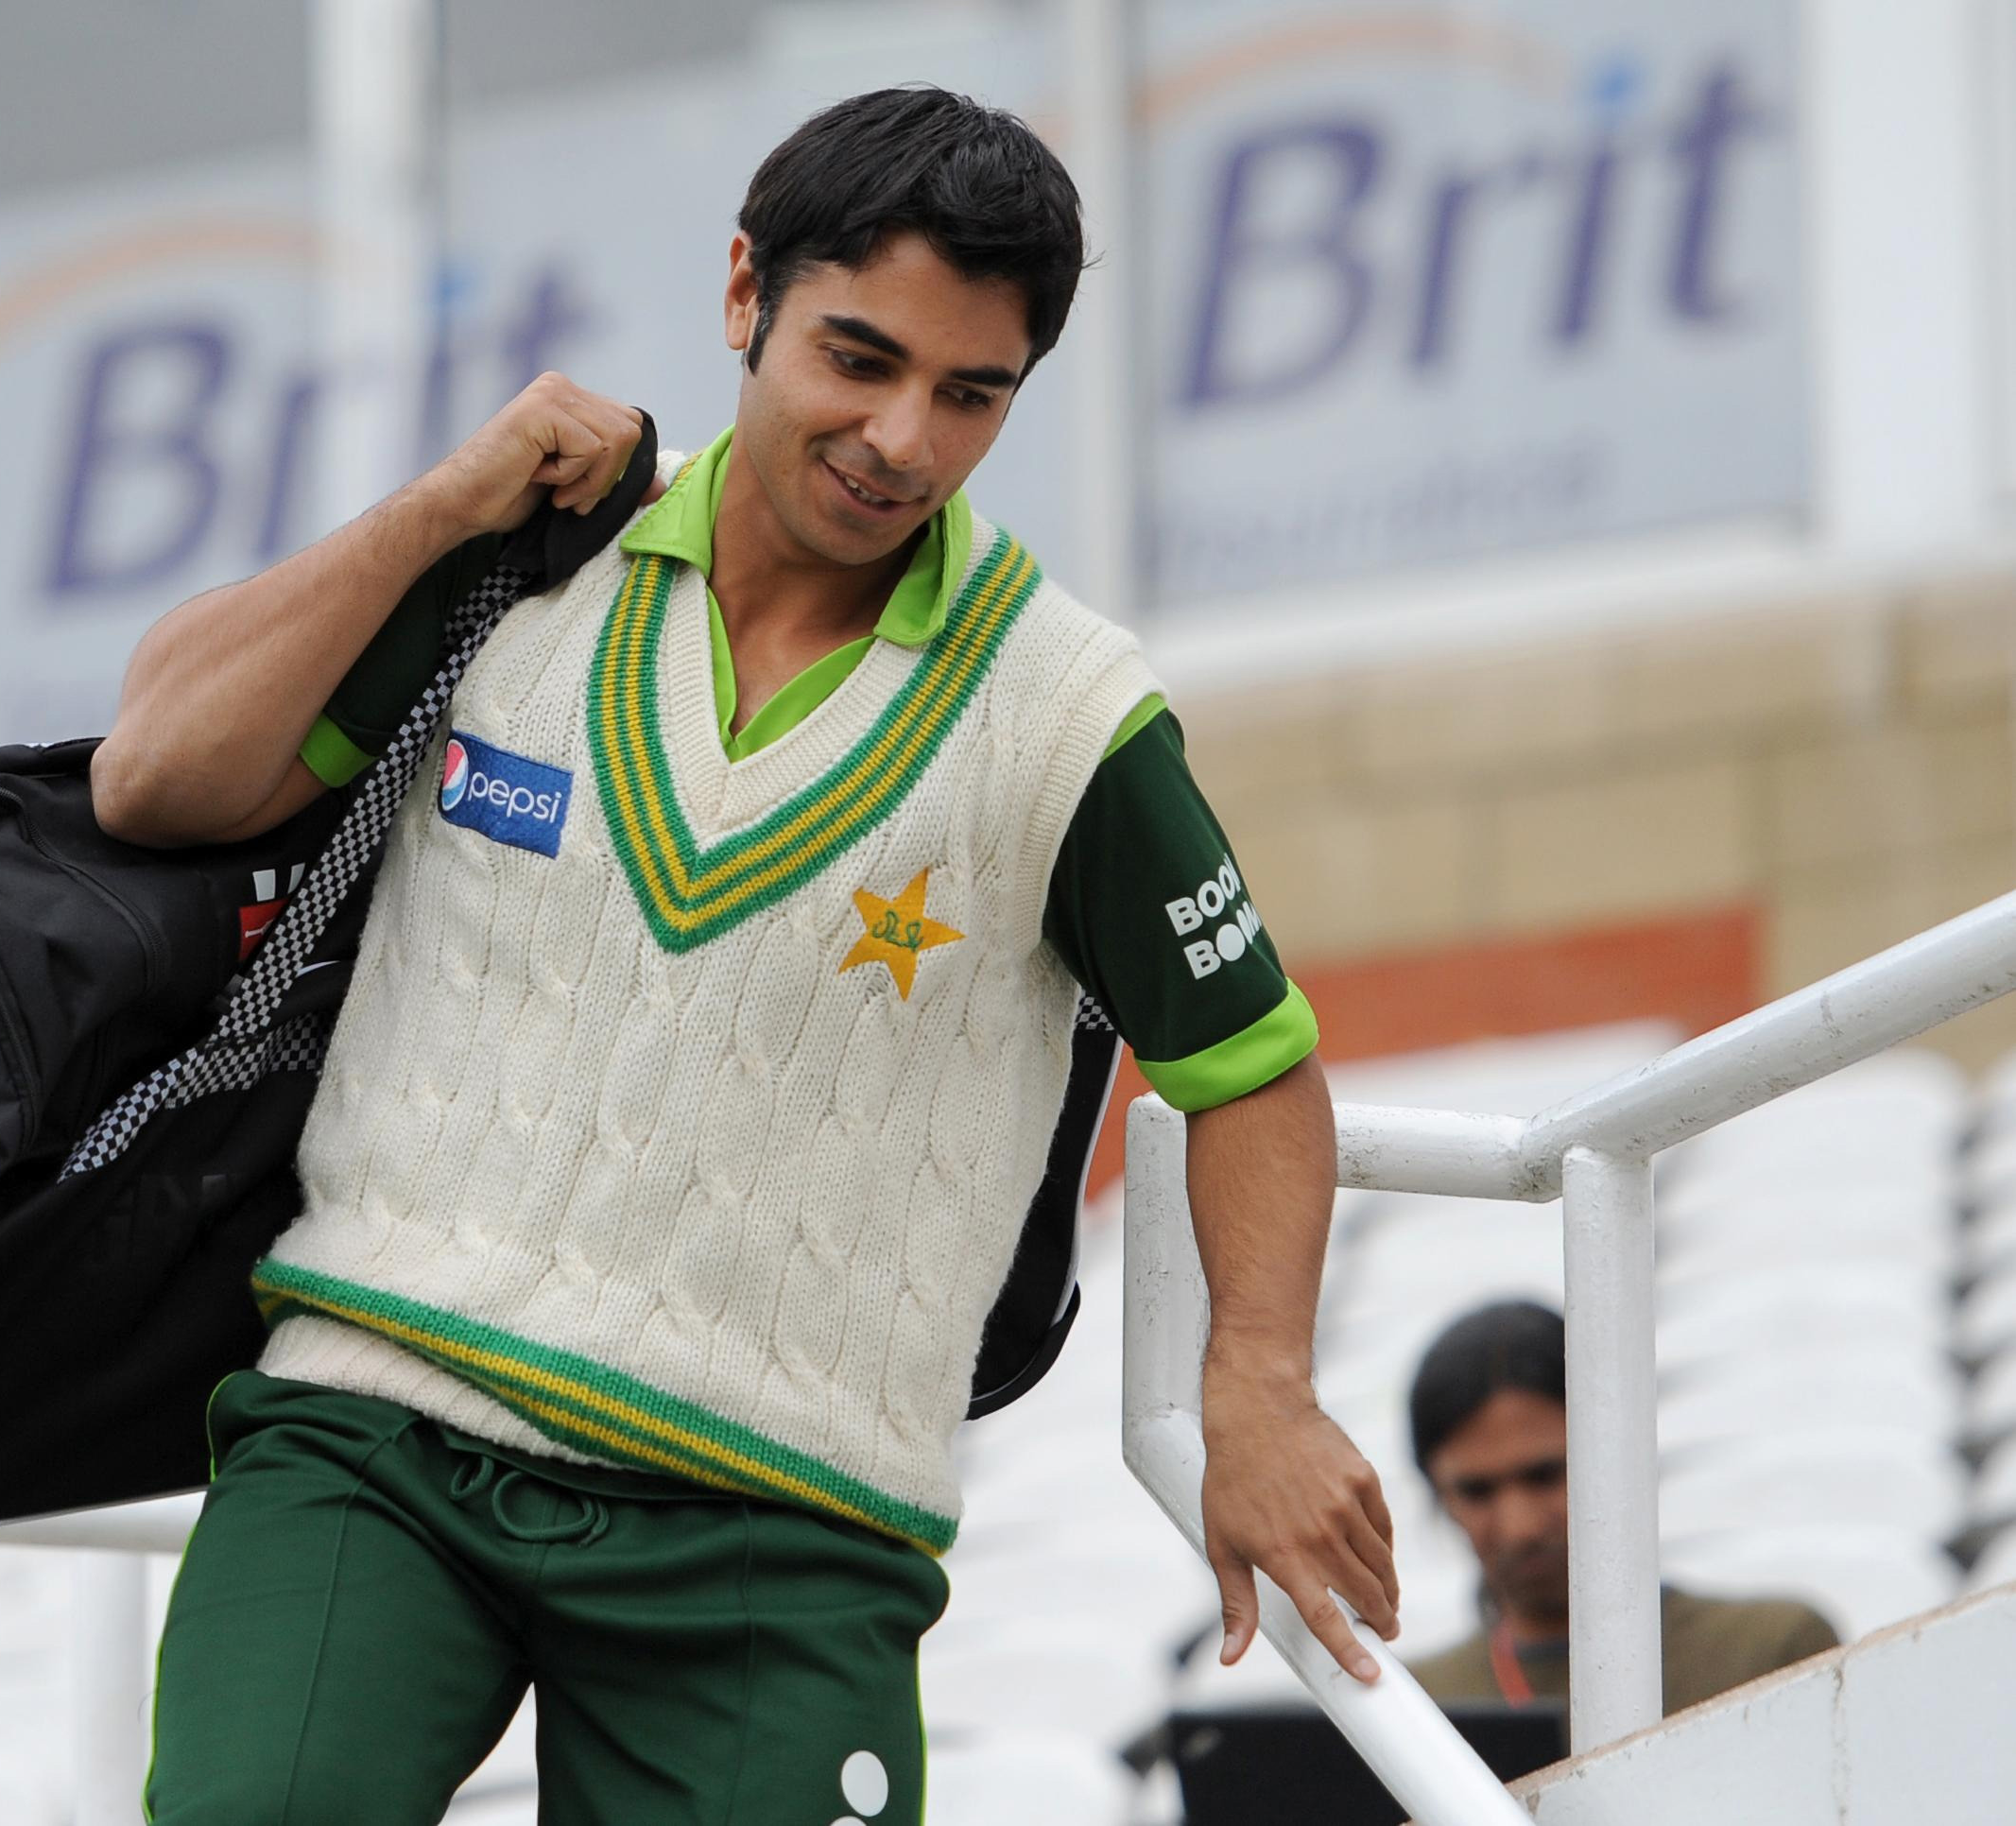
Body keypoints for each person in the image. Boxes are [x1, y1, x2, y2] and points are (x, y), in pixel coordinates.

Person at [96, 86, 1399, 1823]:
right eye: (855, 358)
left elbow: (1250, 1072)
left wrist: (1257, 1385)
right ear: (740, 295)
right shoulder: (515, 560)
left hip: (778, 1537)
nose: (900, 439)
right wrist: (433, 508)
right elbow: (156, 774)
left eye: (968, 393)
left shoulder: (1066, 719)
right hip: (371, 1442)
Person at [1404, 1301, 1840, 1717]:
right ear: (1439, 1495)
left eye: (1546, 1475)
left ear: (1618, 1454)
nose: (1522, 1528)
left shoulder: (1771, 1652)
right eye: (1477, 1491)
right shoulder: (1409, 1709)